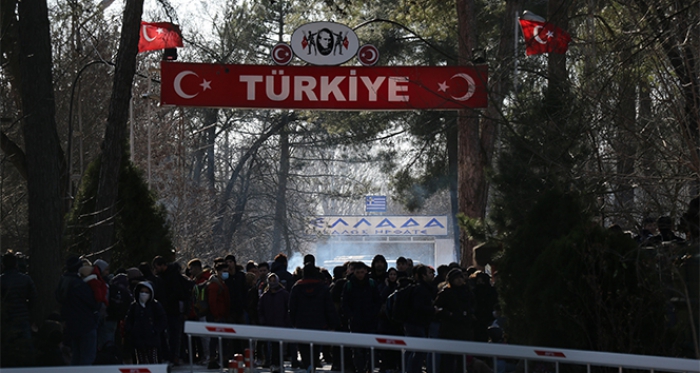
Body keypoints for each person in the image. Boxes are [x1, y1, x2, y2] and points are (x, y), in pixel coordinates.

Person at [289, 264, 338, 370]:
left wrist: (293, 322)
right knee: (315, 349)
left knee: (303, 348)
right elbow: (329, 307)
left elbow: (292, 307)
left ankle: (307, 365)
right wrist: (332, 323)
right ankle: (314, 364)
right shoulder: (323, 288)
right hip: (319, 323)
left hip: (301, 324)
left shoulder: (297, 287)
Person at [56, 255, 100, 365]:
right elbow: (93, 302)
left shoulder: (64, 282)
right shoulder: (78, 285)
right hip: (85, 324)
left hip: (72, 324)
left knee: (76, 355)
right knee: (87, 356)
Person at [342, 262, 381, 373]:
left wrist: (373, 313)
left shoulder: (371, 284)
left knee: (370, 349)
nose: (360, 275)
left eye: (362, 272)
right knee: (357, 350)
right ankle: (360, 369)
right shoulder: (349, 285)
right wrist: (351, 315)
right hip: (356, 323)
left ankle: (368, 368)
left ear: (366, 272)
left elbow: (378, 300)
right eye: (358, 272)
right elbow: (344, 303)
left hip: (370, 322)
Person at [434, 268, 475, 372]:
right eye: (456, 278)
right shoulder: (445, 293)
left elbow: (473, 306)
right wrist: (449, 314)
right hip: (449, 329)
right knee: (448, 358)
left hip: (464, 329)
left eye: (461, 277)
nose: (459, 280)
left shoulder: (467, 291)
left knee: (461, 358)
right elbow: (438, 309)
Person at [0, 252, 37, 367]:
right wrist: (28, 310)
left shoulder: (1, 280)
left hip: (6, 320)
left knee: (6, 350)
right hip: (23, 318)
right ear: (16, 264)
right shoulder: (25, 279)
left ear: (3, 265)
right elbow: (34, 298)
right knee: (28, 349)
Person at [403, 264, 437, 373]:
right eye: (429, 273)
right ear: (423, 276)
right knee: (419, 350)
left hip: (415, 323)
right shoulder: (421, 289)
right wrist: (433, 310)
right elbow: (418, 307)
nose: (432, 275)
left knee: (412, 349)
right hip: (416, 323)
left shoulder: (422, 288)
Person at [124, 281, 167, 364]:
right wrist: (131, 330)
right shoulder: (134, 306)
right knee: (141, 361)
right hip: (138, 339)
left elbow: (162, 319)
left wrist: (155, 330)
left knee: (153, 360)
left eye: (147, 292)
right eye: (142, 292)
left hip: (152, 338)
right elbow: (129, 319)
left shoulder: (155, 305)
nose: (144, 294)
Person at [258, 273, 291, 373]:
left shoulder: (284, 294)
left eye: (274, 280)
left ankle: (279, 363)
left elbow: (288, 309)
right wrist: (263, 321)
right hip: (269, 324)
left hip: (281, 324)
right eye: (270, 280)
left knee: (279, 346)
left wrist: (286, 321)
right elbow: (260, 310)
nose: (272, 283)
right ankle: (273, 363)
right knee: (272, 345)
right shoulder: (265, 296)